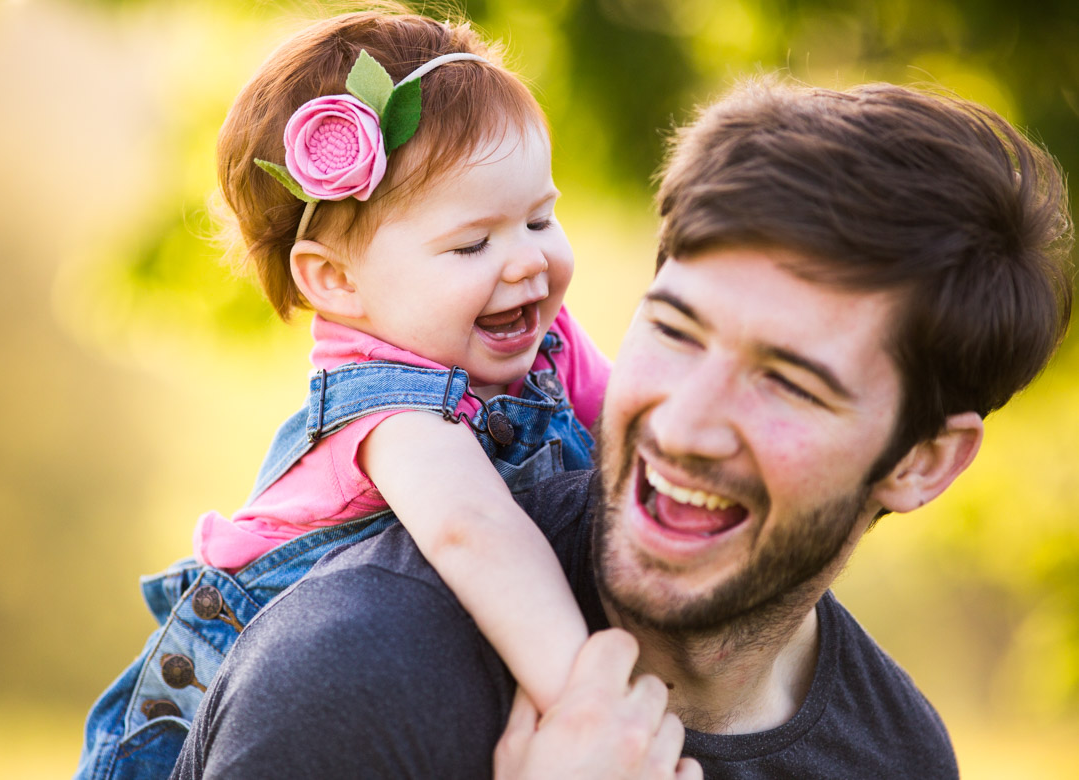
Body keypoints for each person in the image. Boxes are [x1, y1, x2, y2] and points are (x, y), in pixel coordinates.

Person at [170, 76, 1073, 779]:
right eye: (676, 331)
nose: (682, 426)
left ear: (921, 462)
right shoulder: (356, 674)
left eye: (788, 383)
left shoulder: (898, 757)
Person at [75, 9, 620, 780]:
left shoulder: (544, 335)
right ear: (336, 280)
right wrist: (588, 705)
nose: (527, 262)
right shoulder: (384, 406)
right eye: (473, 243)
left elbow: (634, 425)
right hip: (235, 703)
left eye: (540, 217)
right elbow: (474, 530)